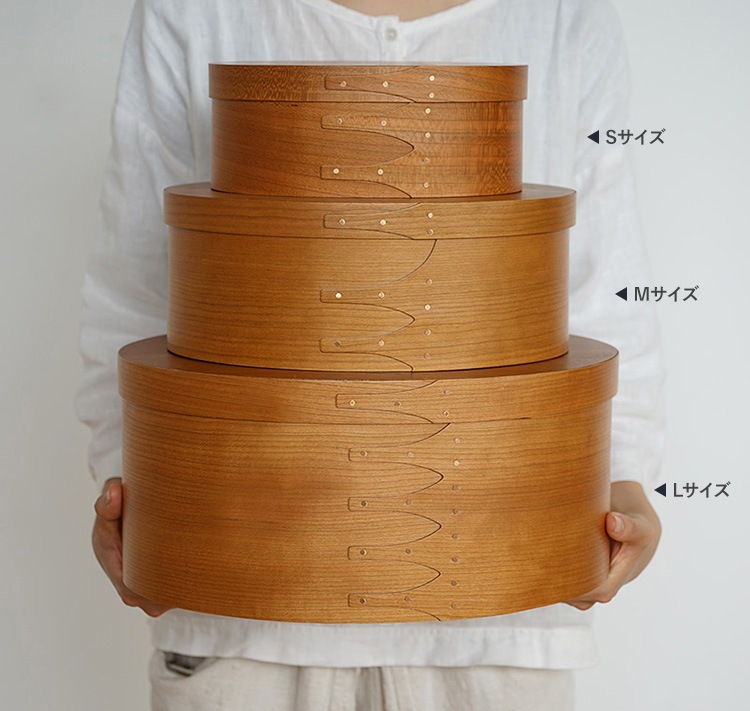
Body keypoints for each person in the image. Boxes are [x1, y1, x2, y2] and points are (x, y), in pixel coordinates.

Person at [77, 0, 664, 708]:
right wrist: (131, 495)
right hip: (238, 613)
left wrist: (625, 479)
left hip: (506, 621)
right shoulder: (192, 8)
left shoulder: (565, 15)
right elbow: (134, 285)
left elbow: (603, 286)